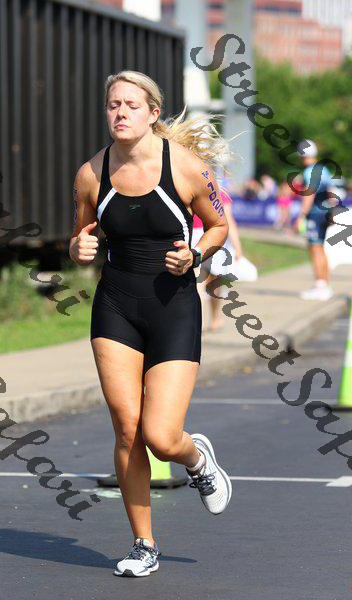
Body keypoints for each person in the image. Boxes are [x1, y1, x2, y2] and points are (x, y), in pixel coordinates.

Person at [69, 71, 233, 578]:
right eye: (113, 104)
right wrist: (78, 248)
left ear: (153, 113)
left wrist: (196, 255)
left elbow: (220, 225)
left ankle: (196, 458)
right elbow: (79, 237)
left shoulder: (185, 167)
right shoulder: (90, 174)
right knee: (127, 430)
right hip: (116, 306)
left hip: (173, 306)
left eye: (131, 104)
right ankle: (144, 544)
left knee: (161, 437)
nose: (120, 112)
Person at [192, 189, 243, 331]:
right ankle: (213, 319)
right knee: (212, 282)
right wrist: (237, 247)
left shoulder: (192, 186)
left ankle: (202, 321)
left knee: (200, 281)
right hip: (215, 235)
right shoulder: (220, 192)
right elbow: (229, 220)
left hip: (195, 235)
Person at [293, 139, 334, 301]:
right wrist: (332, 213)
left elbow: (308, 195)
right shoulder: (324, 169)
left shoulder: (308, 172)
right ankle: (325, 285)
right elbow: (331, 194)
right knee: (321, 249)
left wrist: (301, 216)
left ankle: (320, 286)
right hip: (325, 214)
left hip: (315, 215)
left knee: (315, 249)